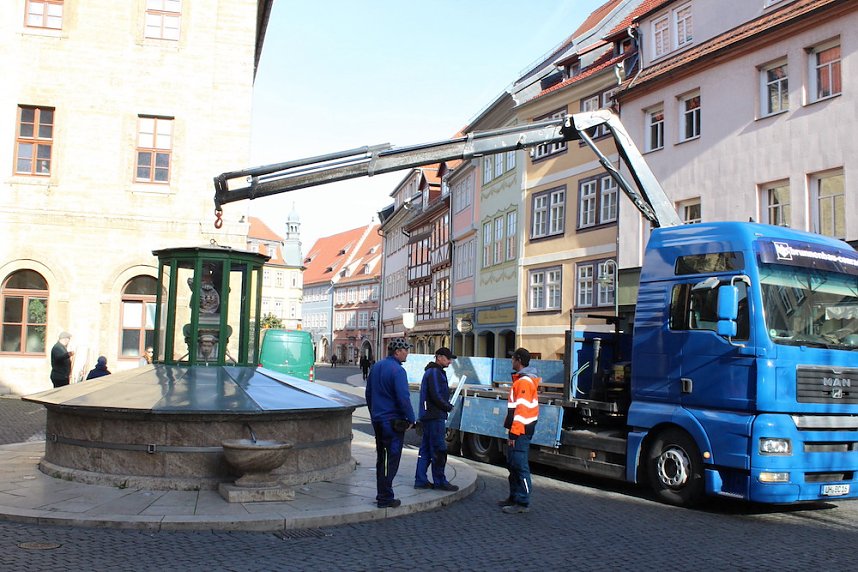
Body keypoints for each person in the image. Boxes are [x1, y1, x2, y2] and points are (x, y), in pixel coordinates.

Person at [365, 337, 415, 508]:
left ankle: (383, 493)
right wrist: (411, 418)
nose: (407, 352)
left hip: (379, 419)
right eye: (405, 350)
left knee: (382, 457)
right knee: (390, 459)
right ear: (397, 352)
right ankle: (385, 497)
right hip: (392, 421)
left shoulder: (377, 366)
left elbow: (368, 393)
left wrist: (374, 414)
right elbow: (403, 397)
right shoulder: (398, 371)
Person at [499, 347, 541, 514]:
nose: (511, 361)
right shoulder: (522, 380)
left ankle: (522, 502)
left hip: (521, 431)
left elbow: (521, 411)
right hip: (519, 430)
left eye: (513, 358)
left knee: (519, 465)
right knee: (513, 464)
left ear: (518, 360)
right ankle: (514, 497)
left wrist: (514, 433)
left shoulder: (523, 382)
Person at [414, 347, 458, 492]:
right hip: (434, 416)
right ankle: (440, 481)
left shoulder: (433, 372)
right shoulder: (434, 372)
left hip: (430, 415)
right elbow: (435, 395)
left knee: (426, 449)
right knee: (439, 449)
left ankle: (420, 480)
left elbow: (435, 393)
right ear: (439, 357)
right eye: (448, 358)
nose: (450, 362)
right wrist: (447, 406)